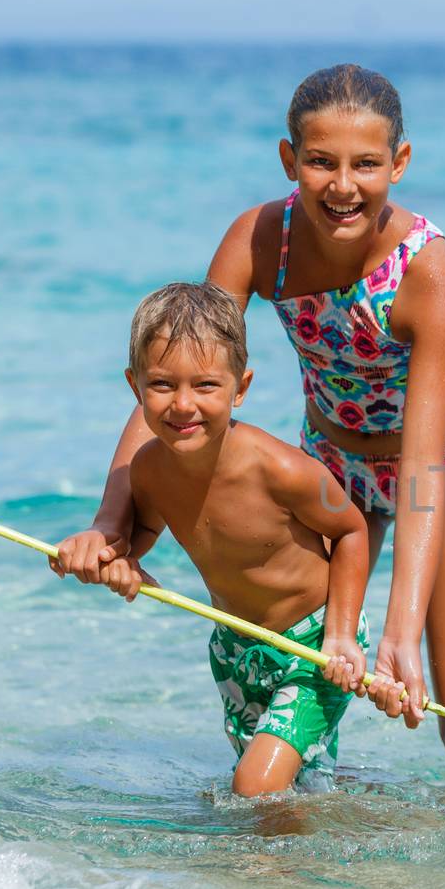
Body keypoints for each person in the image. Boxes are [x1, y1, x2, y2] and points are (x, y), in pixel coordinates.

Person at [54, 64, 445, 784]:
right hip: (332, 456)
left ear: (400, 162)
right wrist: (111, 524)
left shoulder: (429, 271)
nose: (343, 184)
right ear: (289, 159)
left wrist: (398, 632)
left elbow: (421, 468)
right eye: (321, 161)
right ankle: (305, 858)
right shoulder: (263, 239)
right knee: (294, 667)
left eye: (366, 164)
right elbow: (179, 372)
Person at [80, 280, 372, 797]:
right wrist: (119, 560)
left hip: (312, 644)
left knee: (254, 787)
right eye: (163, 384)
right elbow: (141, 530)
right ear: (134, 387)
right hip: (236, 648)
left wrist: (342, 636)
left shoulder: (282, 469)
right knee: (298, 792)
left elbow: (351, 530)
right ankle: (298, 871)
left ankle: (263, 870)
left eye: (207, 386)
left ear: (241, 387)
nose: (183, 404)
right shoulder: (148, 469)